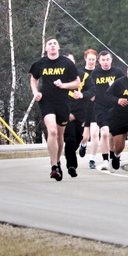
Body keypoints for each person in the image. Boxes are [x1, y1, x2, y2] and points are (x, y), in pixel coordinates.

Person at [28, 37, 80, 181]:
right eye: (49, 44)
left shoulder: (67, 63)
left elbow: (77, 83)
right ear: (46, 48)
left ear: (58, 47)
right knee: (51, 130)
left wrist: (63, 85)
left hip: (63, 102)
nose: (52, 46)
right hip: (47, 101)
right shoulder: (40, 63)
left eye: (54, 44)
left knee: (59, 136)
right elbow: (33, 78)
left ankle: (57, 162)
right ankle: (54, 167)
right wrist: (35, 92)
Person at [90, 51, 126, 171]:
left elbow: (125, 90)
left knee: (112, 135)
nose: (105, 62)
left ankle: (113, 156)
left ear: (111, 60)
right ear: (99, 61)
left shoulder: (118, 73)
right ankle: (105, 160)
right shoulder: (95, 73)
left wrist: (114, 86)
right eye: (103, 60)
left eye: (107, 60)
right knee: (104, 132)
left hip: (115, 106)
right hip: (100, 106)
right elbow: (89, 88)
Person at [62, 53, 88, 178]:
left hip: (80, 114)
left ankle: (71, 156)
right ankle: (72, 166)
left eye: (71, 61)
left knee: (78, 138)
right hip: (66, 114)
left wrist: (83, 95)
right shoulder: (59, 78)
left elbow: (92, 91)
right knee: (70, 140)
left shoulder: (83, 76)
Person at [78, 49, 98, 168]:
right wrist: (87, 96)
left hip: (97, 106)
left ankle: (92, 159)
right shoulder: (80, 72)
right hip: (84, 105)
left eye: (93, 60)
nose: (91, 62)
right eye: (89, 59)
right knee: (85, 136)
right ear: (85, 59)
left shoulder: (99, 72)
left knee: (95, 133)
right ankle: (84, 144)